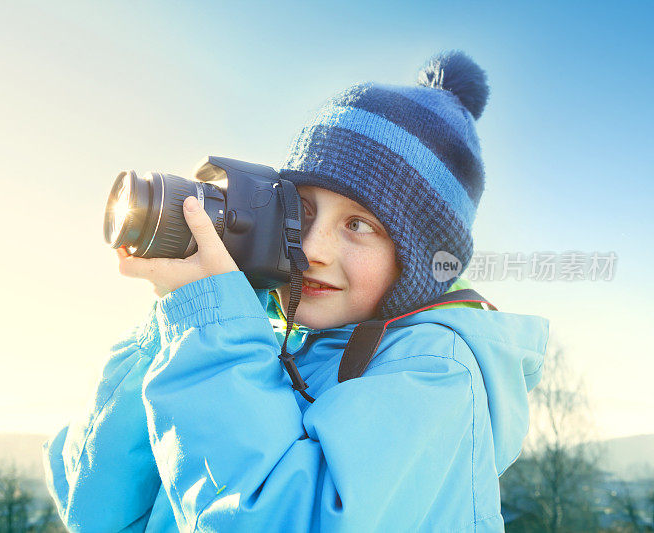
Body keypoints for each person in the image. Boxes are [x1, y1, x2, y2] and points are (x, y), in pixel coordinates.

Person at [42, 50, 549, 532]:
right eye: (302, 211)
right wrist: (177, 319)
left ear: (421, 262)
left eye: (358, 224)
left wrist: (210, 328)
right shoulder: (254, 336)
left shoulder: (437, 369)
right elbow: (93, 509)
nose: (314, 246)